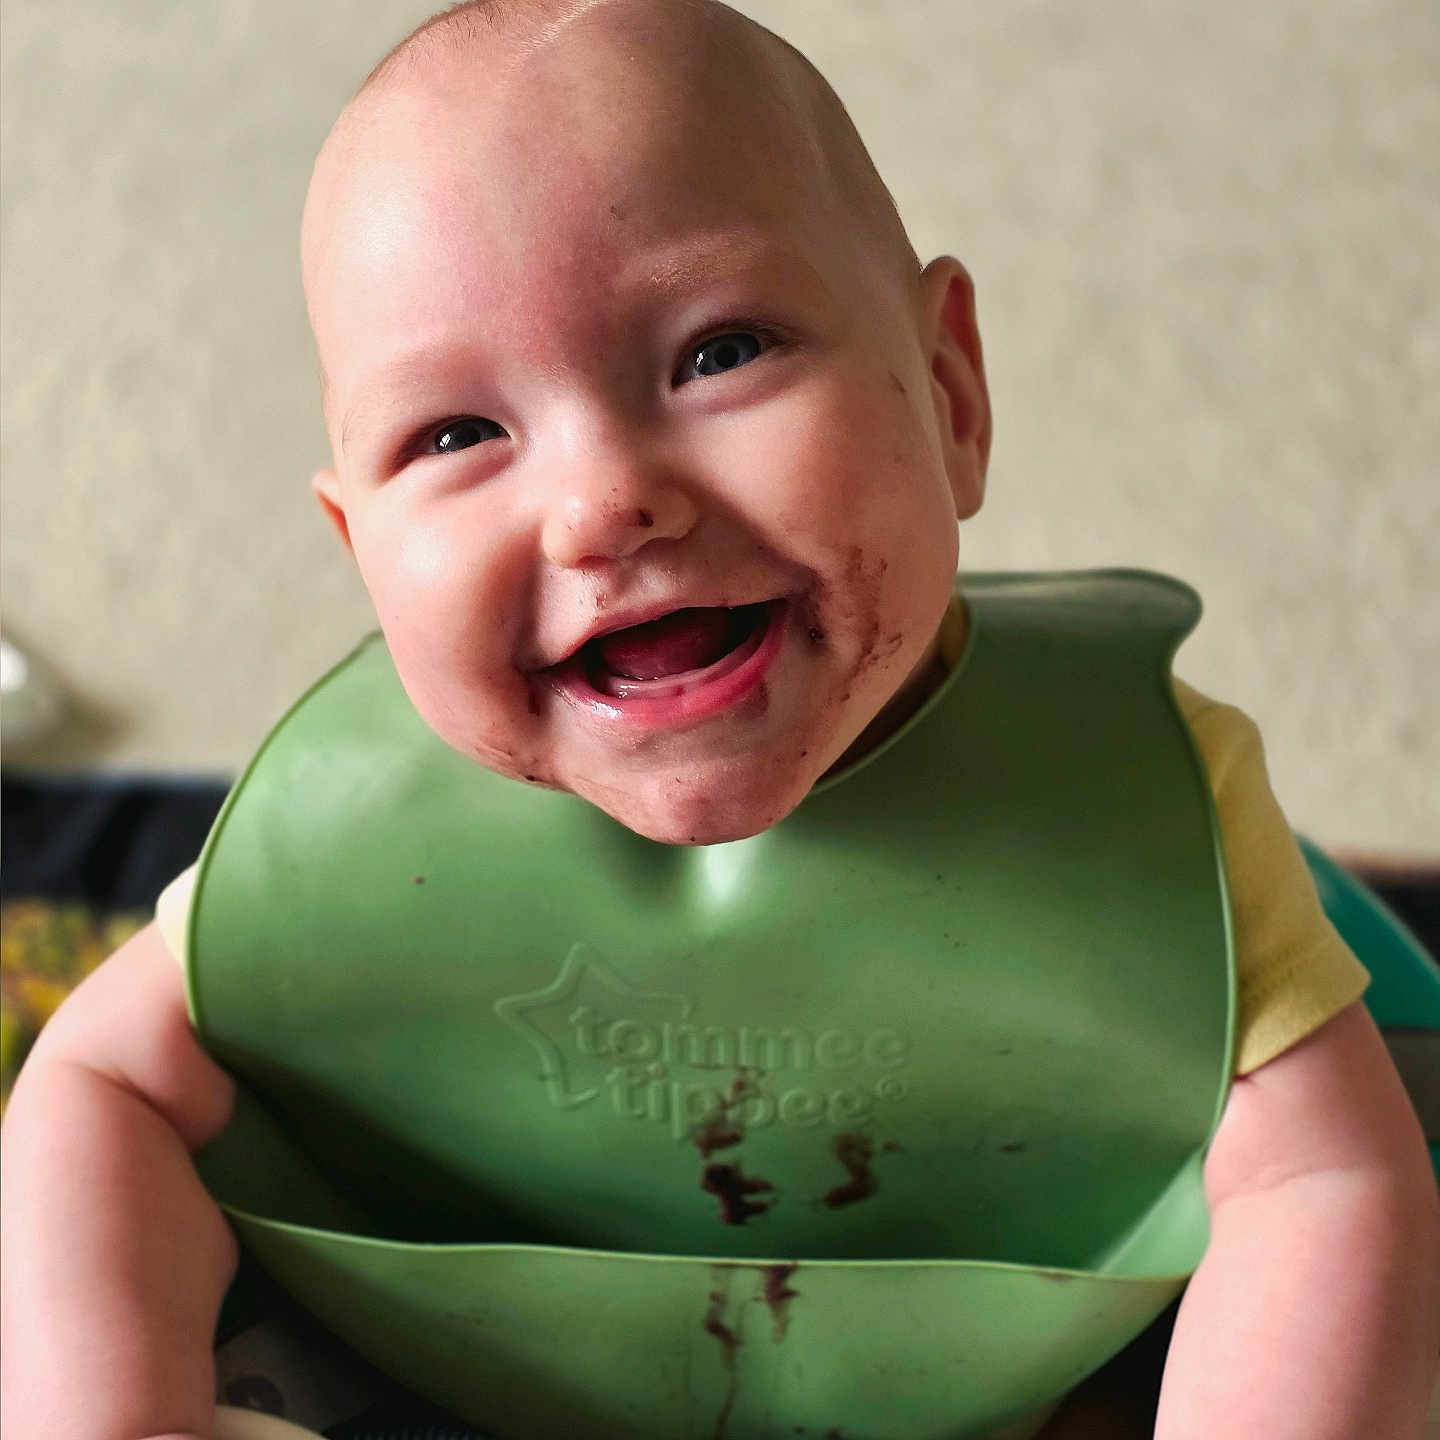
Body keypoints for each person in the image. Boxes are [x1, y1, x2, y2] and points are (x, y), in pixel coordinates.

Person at [3, 2, 1436, 1437]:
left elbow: (1326, 1180)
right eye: (454, 436)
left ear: (950, 394)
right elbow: (103, 1087)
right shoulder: (345, 831)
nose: (601, 500)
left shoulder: (1139, 808)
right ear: (358, 548)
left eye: (719, 351)